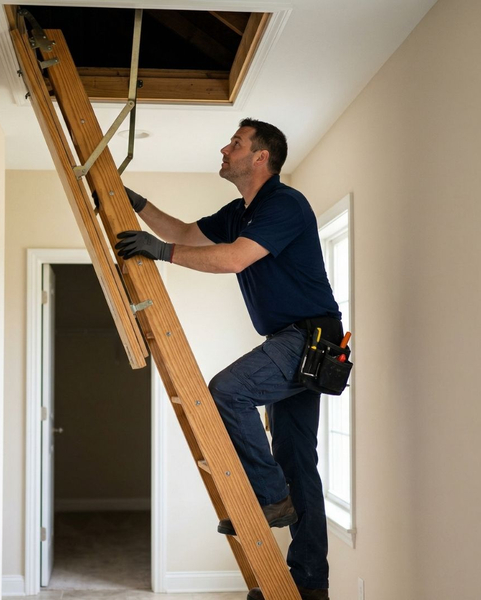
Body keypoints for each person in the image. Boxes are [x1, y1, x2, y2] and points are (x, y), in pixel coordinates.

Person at [115, 118, 341, 600]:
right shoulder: (242, 211)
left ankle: (269, 498)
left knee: (227, 391)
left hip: (309, 338)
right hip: (295, 337)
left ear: (261, 157)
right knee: (298, 461)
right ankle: (309, 584)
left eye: (235, 143)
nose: (225, 148)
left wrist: (162, 253)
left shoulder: (283, 204)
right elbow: (186, 233)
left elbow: (234, 259)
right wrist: (138, 206)